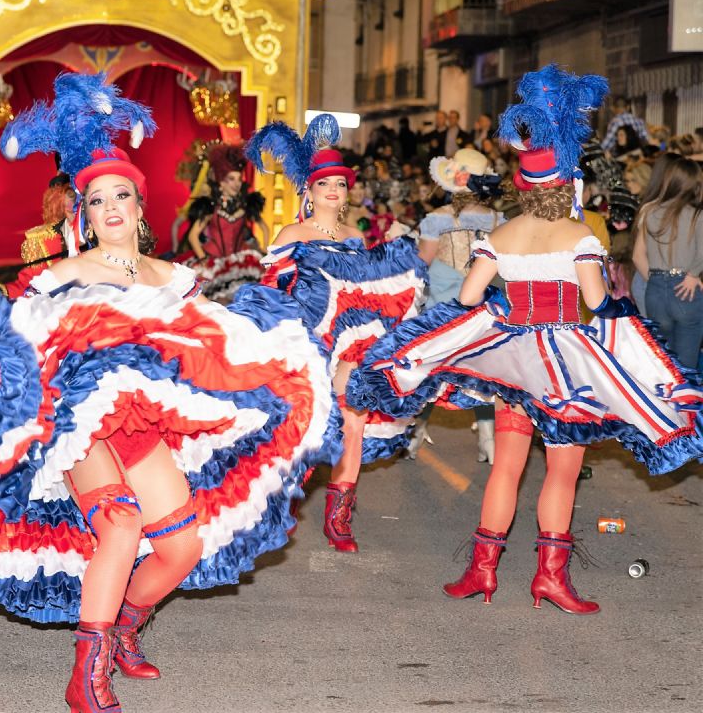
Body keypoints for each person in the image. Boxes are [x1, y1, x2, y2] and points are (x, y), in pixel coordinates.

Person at [0, 73, 333, 713]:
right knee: (120, 524)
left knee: (181, 547)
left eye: (123, 195)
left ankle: (122, 629)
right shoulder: (62, 273)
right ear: (83, 216)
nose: (112, 207)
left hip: (144, 430)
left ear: (141, 209)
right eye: (97, 200)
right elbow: (18, 318)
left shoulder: (174, 276)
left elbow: (219, 340)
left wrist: (282, 346)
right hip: (82, 428)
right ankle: (84, 674)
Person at [350, 64, 703, 614]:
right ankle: (550, 579)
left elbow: (467, 299)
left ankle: (482, 572)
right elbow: (597, 299)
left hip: (512, 360)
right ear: (567, 185)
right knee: (561, 471)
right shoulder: (579, 234)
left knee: (507, 466)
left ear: (523, 186)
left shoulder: (500, 234)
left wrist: (505, 308)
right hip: (564, 363)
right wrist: (618, 322)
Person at [250, 115, 428, 553]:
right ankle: (268, 506)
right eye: (324, 183)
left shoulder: (355, 235)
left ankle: (339, 517)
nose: (333, 191)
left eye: (341, 184)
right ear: (308, 192)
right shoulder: (293, 233)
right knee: (296, 431)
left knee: (354, 421)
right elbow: (271, 288)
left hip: (351, 346)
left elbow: (369, 290)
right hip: (305, 344)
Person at [412, 148, 505, 462]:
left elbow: (422, 260)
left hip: (443, 307)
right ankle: (488, 436)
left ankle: (415, 430)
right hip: (483, 307)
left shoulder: (437, 219)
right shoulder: (497, 219)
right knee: (481, 370)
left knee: (430, 369)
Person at [633, 154, 703, 367]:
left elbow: (638, 256)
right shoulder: (697, 215)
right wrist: (693, 274)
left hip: (654, 291)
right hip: (686, 290)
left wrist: (657, 281)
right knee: (687, 364)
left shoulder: (649, 211)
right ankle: (686, 399)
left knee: (663, 363)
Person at [184, 142, 268, 301]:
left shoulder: (246, 205)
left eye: (238, 179)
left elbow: (264, 228)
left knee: (245, 301)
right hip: (214, 262)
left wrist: (263, 250)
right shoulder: (211, 207)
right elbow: (193, 236)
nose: (237, 184)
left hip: (242, 263)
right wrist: (203, 259)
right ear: (221, 182)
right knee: (216, 304)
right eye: (231, 179)